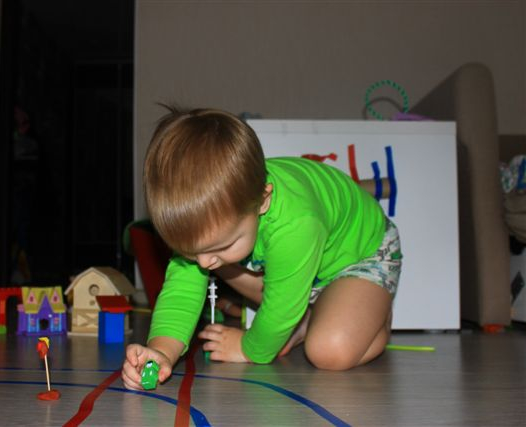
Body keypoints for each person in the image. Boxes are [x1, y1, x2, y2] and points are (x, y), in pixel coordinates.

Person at [122, 106, 402, 390]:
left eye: (221, 245)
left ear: (263, 201)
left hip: (360, 257)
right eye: (191, 251)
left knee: (328, 351)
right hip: (301, 268)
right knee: (220, 264)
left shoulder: (295, 223)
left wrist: (248, 348)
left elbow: (281, 307)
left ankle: (375, 317)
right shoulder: (214, 227)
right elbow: (181, 292)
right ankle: (309, 316)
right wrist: (161, 351)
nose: (204, 263)